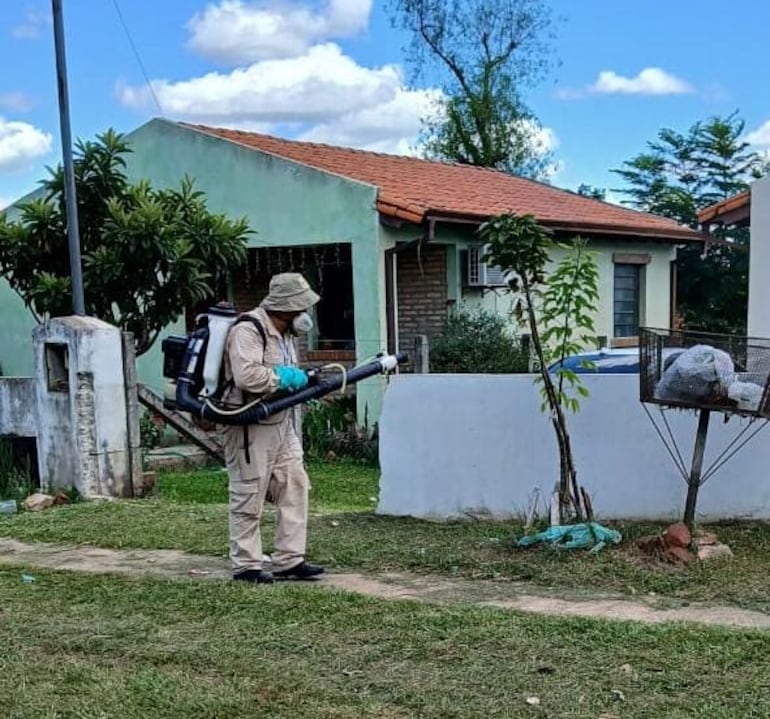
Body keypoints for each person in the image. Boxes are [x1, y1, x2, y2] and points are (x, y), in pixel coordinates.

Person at [220, 272, 325, 584]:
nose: (304, 314)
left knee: (294, 484)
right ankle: (246, 565)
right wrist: (288, 379)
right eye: (300, 308)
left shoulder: (286, 334)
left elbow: (284, 371)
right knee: (248, 492)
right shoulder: (248, 330)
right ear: (287, 307)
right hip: (249, 423)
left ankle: (289, 560)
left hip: (281, 421)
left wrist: (303, 381)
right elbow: (247, 376)